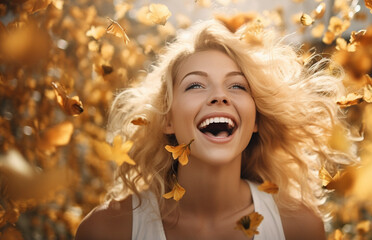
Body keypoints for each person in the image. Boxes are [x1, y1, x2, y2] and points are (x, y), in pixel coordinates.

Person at [75, 18, 353, 240]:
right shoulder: (107, 230)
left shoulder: (299, 227)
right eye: (195, 85)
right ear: (167, 120)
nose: (220, 96)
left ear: (255, 119)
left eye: (237, 86)